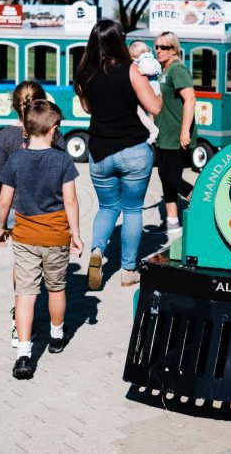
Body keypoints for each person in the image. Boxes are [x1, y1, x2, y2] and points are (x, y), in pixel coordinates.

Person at [0, 100, 82, 380]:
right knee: (56, 288)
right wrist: (76, 234)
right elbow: (70, 200)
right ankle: (56, 337)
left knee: (26, 293)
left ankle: (23, 354)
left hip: (25, 235)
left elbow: (5, 199)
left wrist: (0, 226)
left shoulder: (16, 159)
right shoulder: (62, 159)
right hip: (56, 235)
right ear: (54, 130)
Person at [75, 20, 161, 289]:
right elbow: (154, 107)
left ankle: (97, 252)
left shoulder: (83, 73)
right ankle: (127, 270)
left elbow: (88, 109)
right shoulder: (131, 70)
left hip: (100, 152)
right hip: (133, 150)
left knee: (107, 207)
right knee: (132, 209)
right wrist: (155, 85)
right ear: (118, 41)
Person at [0, 80, 64, 347]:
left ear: (14, 105)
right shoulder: (54, 134)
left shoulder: (4, 137)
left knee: (21, 268)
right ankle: (55, 329)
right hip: (51, 213)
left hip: (16, 210)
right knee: (54, 278)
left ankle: (17, 322)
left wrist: (3, 202)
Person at [154, 31, 197, 236]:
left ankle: (201, 202)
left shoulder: (177, 69)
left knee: (171, 178)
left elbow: (190, 99)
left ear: (174, 50)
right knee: (165, 178)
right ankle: (172, 224)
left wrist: (184, 131)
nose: (159, 51)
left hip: (176, 135)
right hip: (163, 135)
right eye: (157, 47)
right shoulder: (164, 70)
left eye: (165, 47)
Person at [127, 41, 161, 144]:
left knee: (138, 110)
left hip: (150, 89)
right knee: (146, 113)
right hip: (156, 88)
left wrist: (143, 71)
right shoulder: (152, 58)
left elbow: (151, 69)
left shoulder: (144, 60)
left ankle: (153, 130)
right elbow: (159, 69)